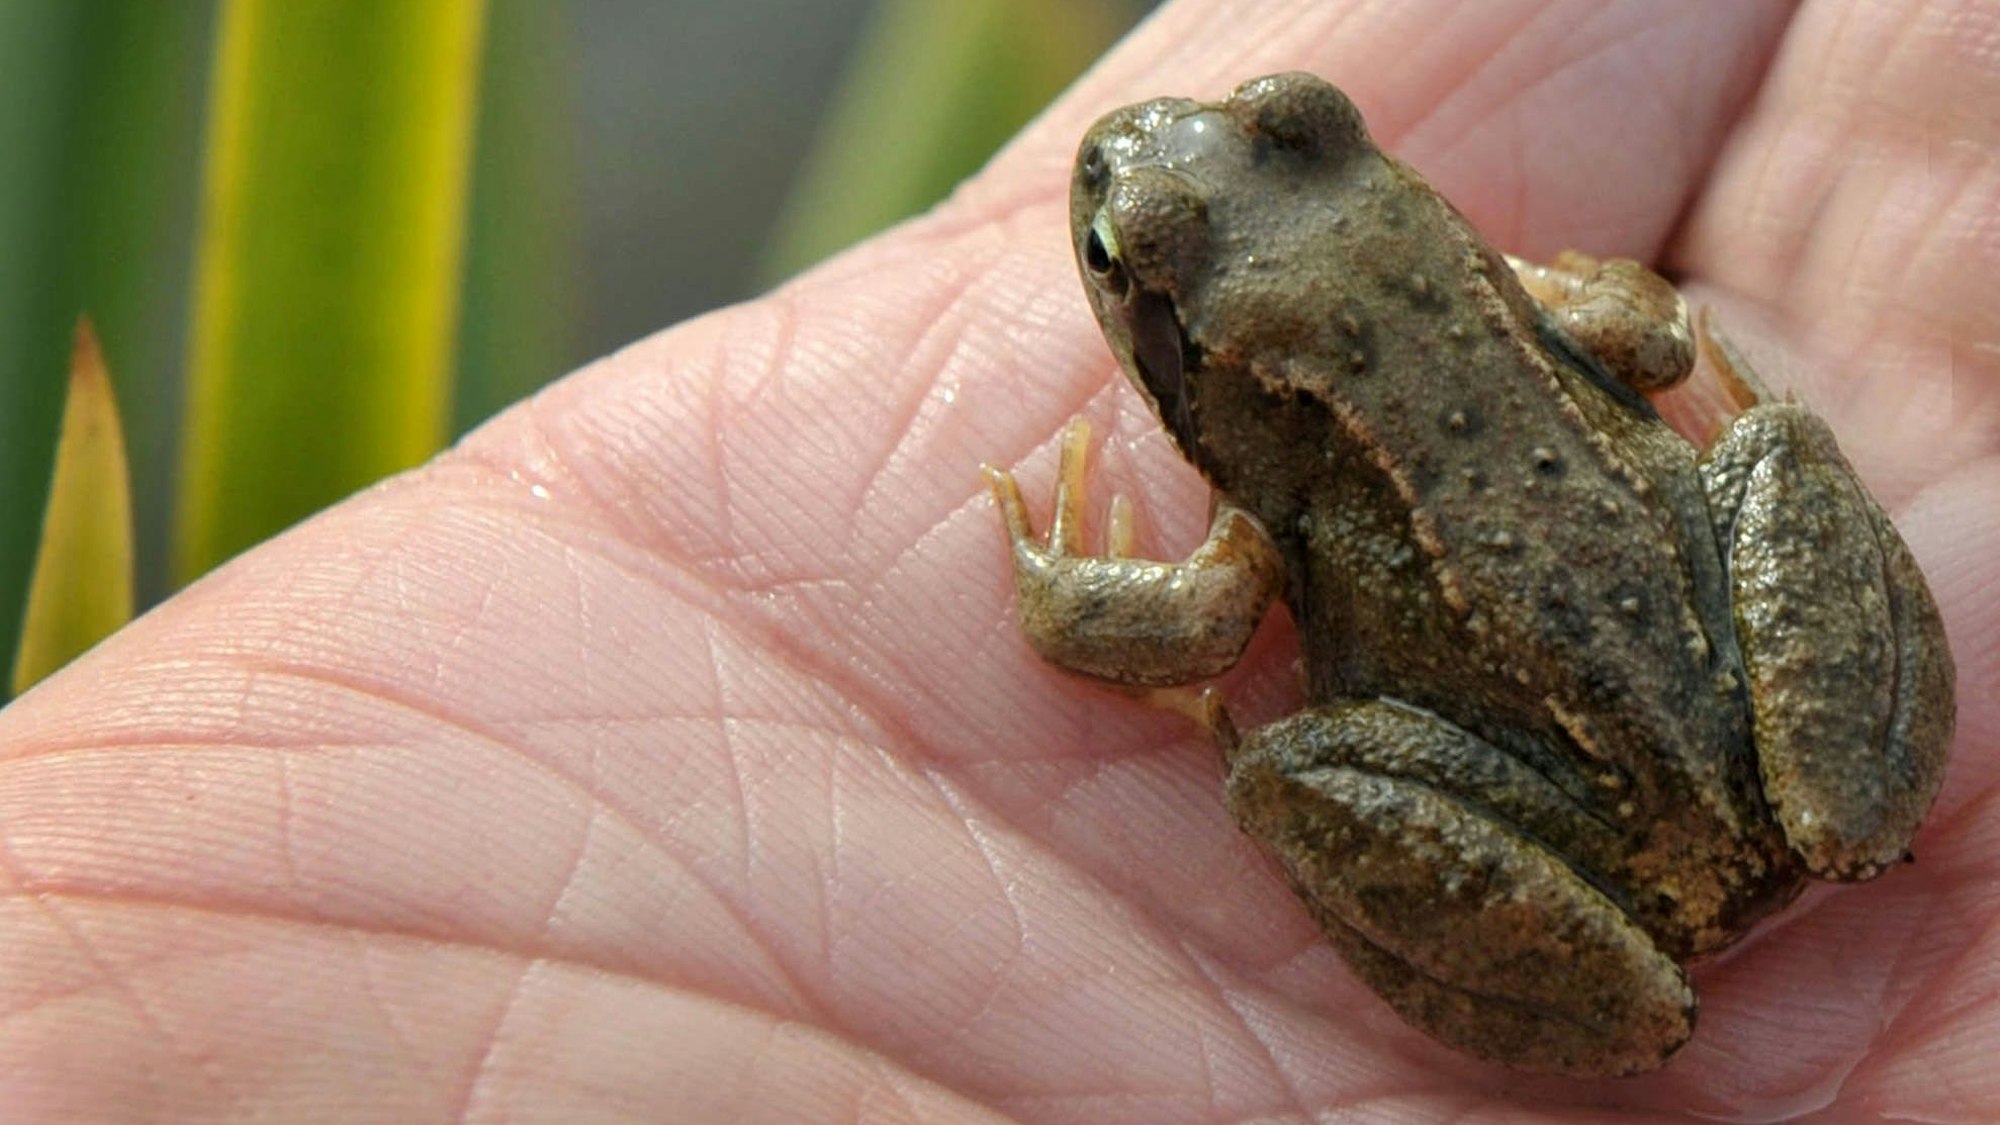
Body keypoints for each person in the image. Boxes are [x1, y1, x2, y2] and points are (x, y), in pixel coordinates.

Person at [2, 0, 1993, 1118]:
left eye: (1291, 139)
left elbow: (1174, 626)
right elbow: (1651, 339)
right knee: (1782, 448)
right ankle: (1776, 862)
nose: (1167, 173)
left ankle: (1642, 967)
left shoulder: (1270, 487)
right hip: (1761, 735)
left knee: (1290, 754)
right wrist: (1563, 303)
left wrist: (1050, 587)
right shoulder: (1527, 300)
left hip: (1576, 790)